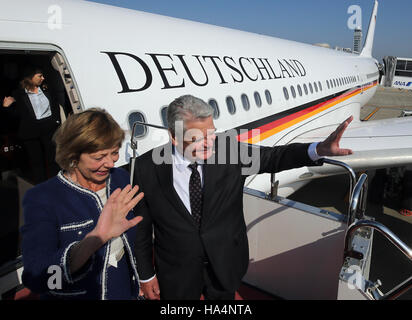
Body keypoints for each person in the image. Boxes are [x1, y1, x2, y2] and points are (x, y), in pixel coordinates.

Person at [133, 94, 353, 300]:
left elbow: (273, 157)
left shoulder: (229, 152)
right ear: (174, 136)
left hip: (225, 265)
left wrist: (319, 150)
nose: (210, 143)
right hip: (176, 272)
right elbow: (141, 228)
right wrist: (145, 274)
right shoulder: (146, 168)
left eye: (212, 133)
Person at [20, 108, 144, 300]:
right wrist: (96, 238)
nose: (111, 163)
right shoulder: (42, 198)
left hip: (124, 290)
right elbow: (38, 277)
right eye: (99, 157)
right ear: (72, 155)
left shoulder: (120, 178)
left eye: (114, 153)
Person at [1, 66, 61, 184]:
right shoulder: (18, 93)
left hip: (49, 128)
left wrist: (55, 121)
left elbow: (55, 105)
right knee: (36, 162)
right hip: (30, 131)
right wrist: (6, 107)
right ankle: (42, 186)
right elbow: (16, 114)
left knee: (53, 158)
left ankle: (56, 183)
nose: (43, 78)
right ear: (30, 77)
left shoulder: (46, 88)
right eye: (39, 76)